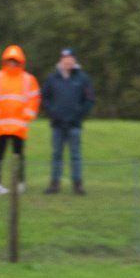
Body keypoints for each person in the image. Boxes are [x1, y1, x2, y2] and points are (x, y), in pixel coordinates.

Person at [0, 45, 40, 195]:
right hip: (0, 125)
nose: (12, 64)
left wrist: (27, 115)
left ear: (20, 62)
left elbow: (34, 99)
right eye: (9, 61)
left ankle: (20, 183)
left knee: (19, 154)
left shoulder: (28, 79)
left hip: (18, 125)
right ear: (5, 61)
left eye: (15, 61)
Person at [40, 47, 96, 195]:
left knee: (75, 155)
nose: (68, 62)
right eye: (65, 60)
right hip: (57, 125)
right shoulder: (52, 79)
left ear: (74, 61)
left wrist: (79, 114)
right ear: (61, 61)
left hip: (74, 124)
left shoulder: (83, 78)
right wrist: (53, 113)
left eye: (70, 59)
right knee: (56, 155)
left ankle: (77, 185)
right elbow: (44, 98)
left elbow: (90, 99)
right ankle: (54, 184)